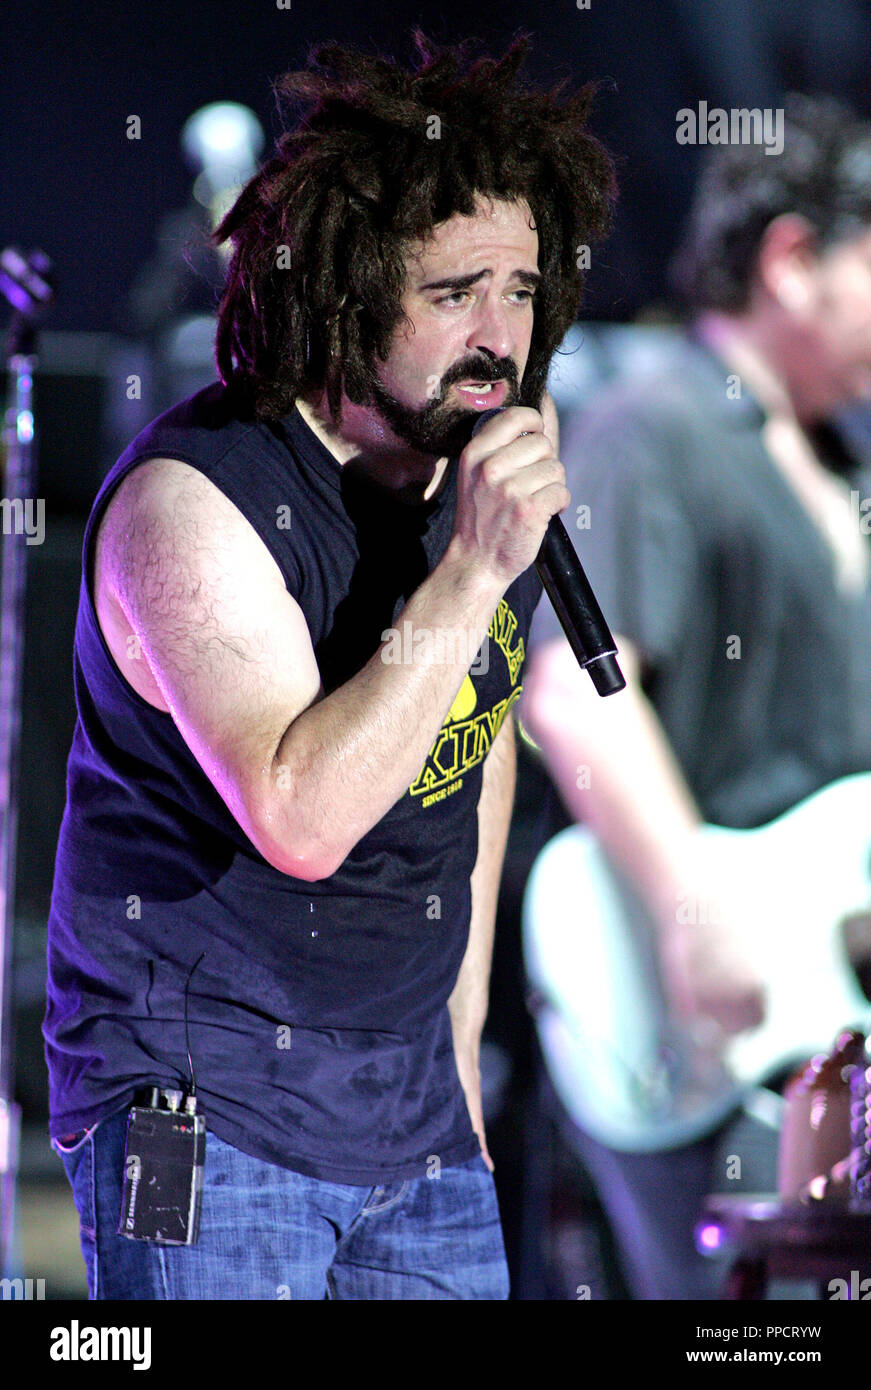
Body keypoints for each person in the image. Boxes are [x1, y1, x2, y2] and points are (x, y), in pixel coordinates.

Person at [42, 32, 615, 1300]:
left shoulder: (470, 476)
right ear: (347, 294)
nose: (500, 335)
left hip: (406, 1114)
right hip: (201, 1098)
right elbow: (299, 817)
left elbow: (478, 754)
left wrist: (458, 1060)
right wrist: (469, 571)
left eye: (522, 291)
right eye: (456, 292)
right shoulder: (193, 506)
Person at [521, 94, 871, 1299]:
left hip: (835, 1021)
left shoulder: (840, 458)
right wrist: (690, 907)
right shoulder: (655, 427)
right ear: (792, 261)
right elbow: (570, 691)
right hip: (713, 1029)